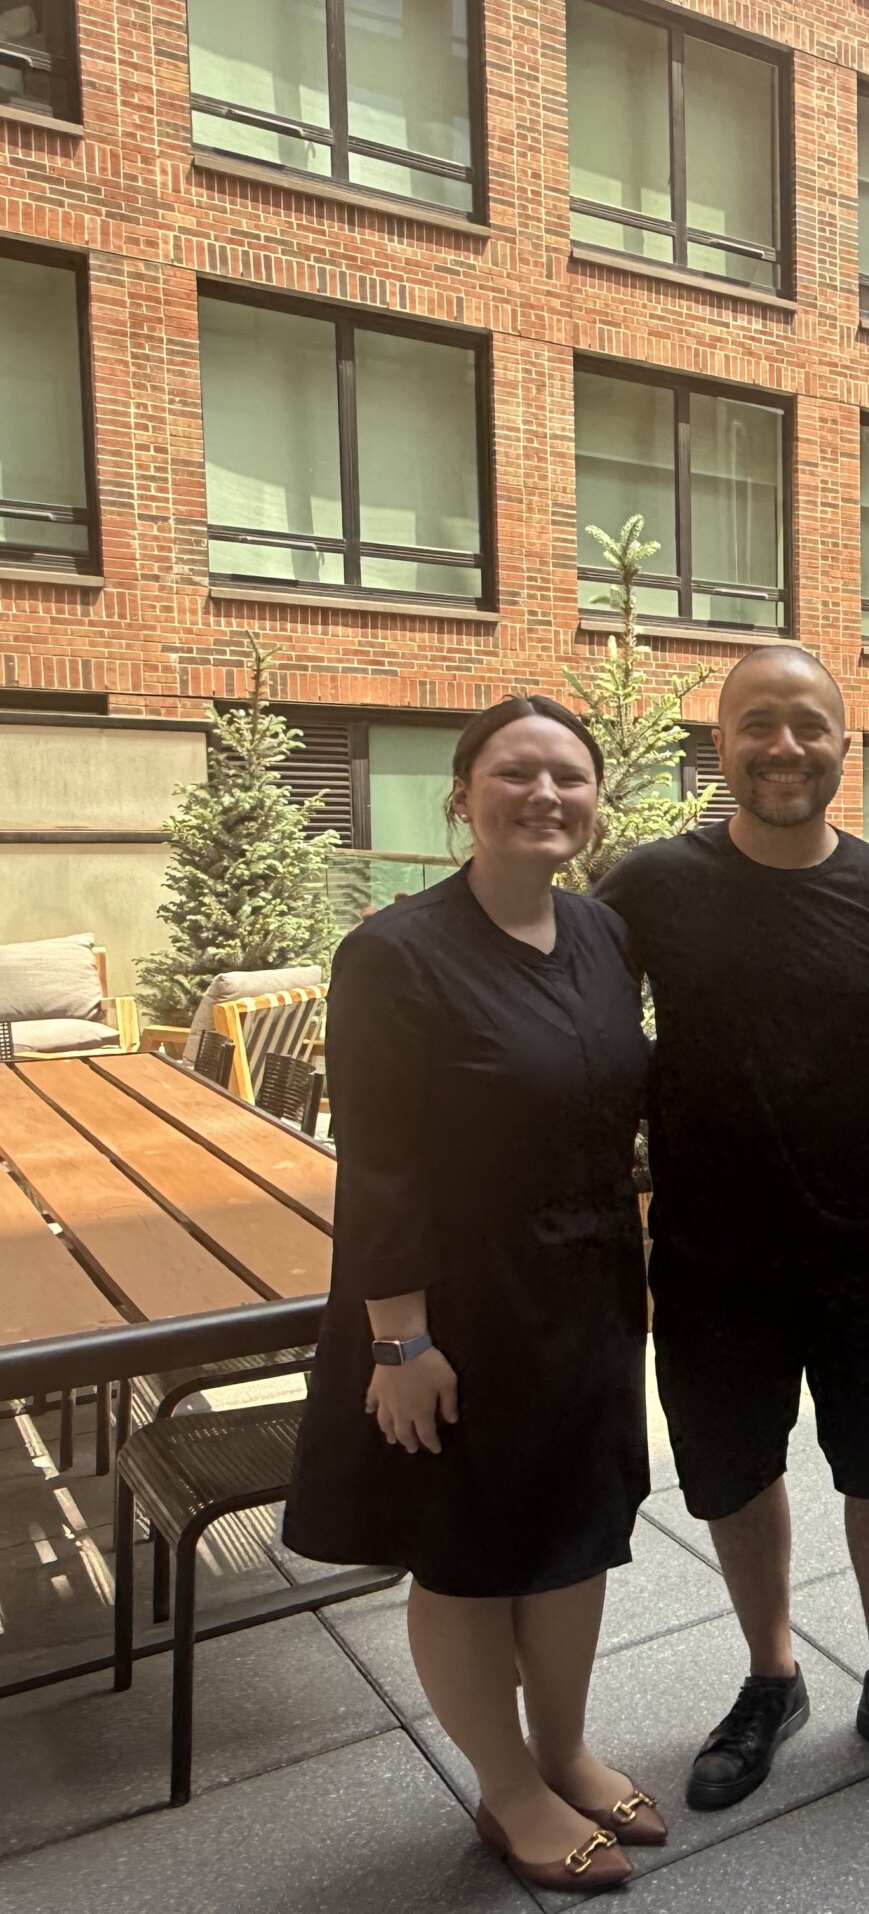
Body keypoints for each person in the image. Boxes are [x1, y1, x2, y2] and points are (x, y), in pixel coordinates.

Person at [283, 696, 655, 1893]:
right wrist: (399, 1342)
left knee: (574, 1536)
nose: (546, 795)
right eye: (516, 774)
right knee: (469, 1552)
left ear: (594, 804)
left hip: (585, 1289)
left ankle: (564, 1751)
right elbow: (379, 1159)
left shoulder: (600, 935)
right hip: (452, 1308)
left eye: (569, 777)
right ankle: (506, 1791)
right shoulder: (394, 954)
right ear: (463, 796)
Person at [592, 648, 869, 1813]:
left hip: (867, 1244)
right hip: (710, 1252)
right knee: (735, 1475)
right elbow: (574, 1014)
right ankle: (773, 1674)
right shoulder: (649, 885)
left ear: (845, 748)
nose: (785, 747)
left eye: (810, 726)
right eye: (759, 724)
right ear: (723, 744)